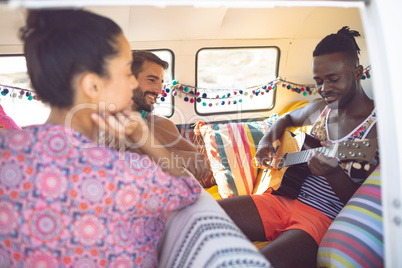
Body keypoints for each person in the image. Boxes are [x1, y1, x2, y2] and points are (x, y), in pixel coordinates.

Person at [0, 9, 202, 267]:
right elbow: (190, 190)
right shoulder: (128, 172)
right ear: (92, 85)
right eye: (126, 73)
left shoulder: (6, 148)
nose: (132, 84)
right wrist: (144, 139)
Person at [218, 26, 378, 268]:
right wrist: (265, 142)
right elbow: (286, 119)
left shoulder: (380, 127)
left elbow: (365, 207)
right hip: (285, 199)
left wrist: (334, 174)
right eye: (319, 81)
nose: (324, 89)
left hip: (321, 219)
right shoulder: (318, 109)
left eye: (333, 79)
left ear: (357, 72)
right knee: (202, 215)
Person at [129, 50, 210, 182]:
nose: (159, 90)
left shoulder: (153, 120)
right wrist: (173, 156)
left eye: (161, 82)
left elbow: (196, 158)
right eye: (151, 80)